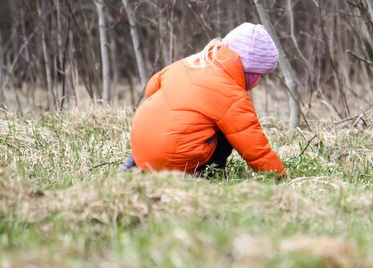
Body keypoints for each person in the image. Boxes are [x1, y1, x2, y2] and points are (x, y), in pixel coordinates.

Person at [120, 22, 286, 177]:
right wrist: (278, 176)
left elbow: (150, 89)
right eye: (260, 76)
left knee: (167, 120)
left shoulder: (190, 63)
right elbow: (255, 148)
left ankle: (134, 165)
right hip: (171, 161)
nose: (258, 83)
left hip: (139, 144)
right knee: (228, 131)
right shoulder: (232, 95)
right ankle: (205, 174)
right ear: (249, 71)